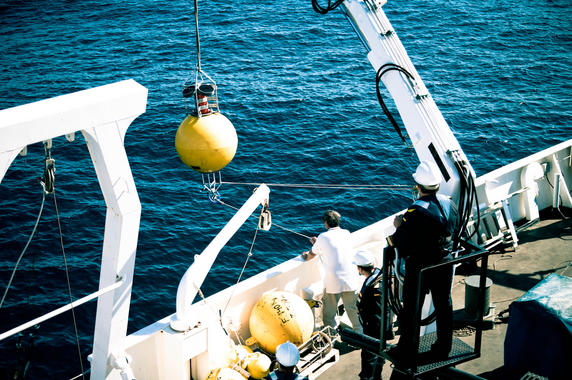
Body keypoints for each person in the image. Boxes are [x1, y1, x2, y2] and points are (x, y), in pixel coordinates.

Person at [388, 161, 459, 372]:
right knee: (444, 305)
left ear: (418, 186)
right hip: (445, 262)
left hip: (420, 267)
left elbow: (398, 241)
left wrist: (399, 225)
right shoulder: (450, 204)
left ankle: (407, 349)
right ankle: (444, 347)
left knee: (411, 309)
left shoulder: (415, 212)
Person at [301, 210, 362, 333]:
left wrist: (305, 255)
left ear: (326, 223)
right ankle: (360, 335)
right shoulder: (346, 233)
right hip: (351, 278)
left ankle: (332, 337)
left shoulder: (323, 237)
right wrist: (318, 243)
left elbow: (310, 255)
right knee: (352, 309)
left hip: (334, 282)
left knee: (329, 313)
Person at [353, 250, 385, 380]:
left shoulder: (373, 286)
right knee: (379, 354)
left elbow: (377, 310)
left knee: (369, 356)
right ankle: (377, 377)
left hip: (373, 327)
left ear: (360, 269)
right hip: (378, 325)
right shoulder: (378, 275)